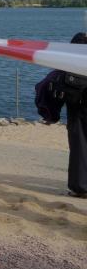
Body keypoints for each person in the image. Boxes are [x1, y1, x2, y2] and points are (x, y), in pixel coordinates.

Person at [36, 32, 87, 198]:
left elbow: (47, 85)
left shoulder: (69, 65)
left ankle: (81, 187)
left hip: (78, 106)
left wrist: (50, 115)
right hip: (78, 105)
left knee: (80, 146)